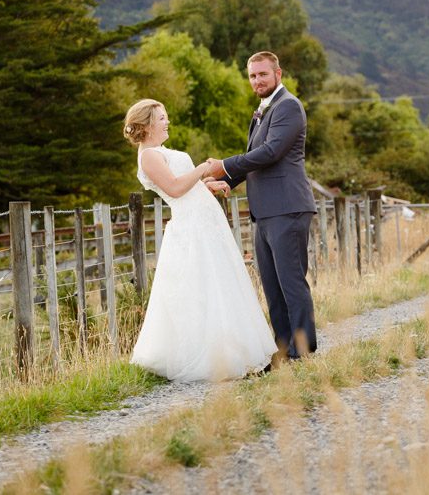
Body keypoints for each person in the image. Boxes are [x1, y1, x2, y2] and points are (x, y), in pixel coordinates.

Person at [123, 99, 277, 381]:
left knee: (219, 284)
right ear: (146, 125)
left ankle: (235, 352)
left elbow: (186, 186)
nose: (167, 122)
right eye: (161, 118)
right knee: (203, 288)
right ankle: (209, 358)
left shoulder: (160, 152)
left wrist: (208, 184)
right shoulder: (148, 156)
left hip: (205, 222)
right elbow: (174, 189)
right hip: (192, 227)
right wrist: (204, 169)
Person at [206, 51, 318, 364]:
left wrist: (223, 165)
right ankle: (282, 351)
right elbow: (254, 160)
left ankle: (302, 350)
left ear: (278, 74)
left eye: (263, 74)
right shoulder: (262, 111)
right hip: (265, 211)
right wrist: (226, 180)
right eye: (253, 76)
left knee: (291, 283)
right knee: (271, 286)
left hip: (288, 207)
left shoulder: (288, 106)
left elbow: (271, 152)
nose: (257, 80)